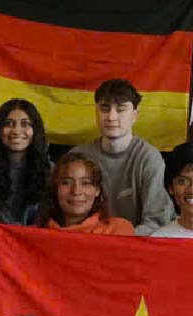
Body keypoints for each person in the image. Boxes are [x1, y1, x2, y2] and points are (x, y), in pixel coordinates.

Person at [70, 79, 173, 235]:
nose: (111, 117)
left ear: (135, 115)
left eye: (120, 109)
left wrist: (116, 242)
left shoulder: (149, 158)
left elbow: (156, 223)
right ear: (96, 113)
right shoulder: (77, 157)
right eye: (105, 108)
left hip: (134, 244)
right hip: (85, 241)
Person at [0, 98, 51, 225]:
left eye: (25, 124)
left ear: (35, 130)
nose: (16, 131)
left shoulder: (52, 172)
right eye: (8, 123)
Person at [36, 152, 135, 235]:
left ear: (97, 190)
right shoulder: (36, 235)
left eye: (85, 183)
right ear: (55, 188)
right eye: (66, 182)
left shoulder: (118, 230)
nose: (76, 191)